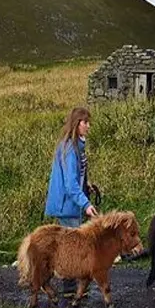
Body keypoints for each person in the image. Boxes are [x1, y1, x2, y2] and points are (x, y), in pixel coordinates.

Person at [44, 106, 98, 296]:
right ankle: (69, 287)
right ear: (77, 124)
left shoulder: (77, 145)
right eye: (86, 123)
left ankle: (72, 285)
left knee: (72, 244)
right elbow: (70, 183)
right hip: (67, 204)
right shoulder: (70, 148)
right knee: (72, 247)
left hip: (72, 202)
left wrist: (87, 185)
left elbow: (78, 175)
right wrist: (86, 204)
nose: (88, 126)